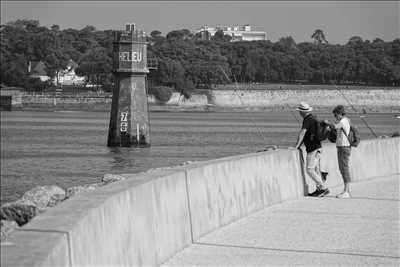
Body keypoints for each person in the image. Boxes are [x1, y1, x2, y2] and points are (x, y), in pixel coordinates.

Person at [295, 102, 329, 197]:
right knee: (316, 169)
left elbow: (303, 133)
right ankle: (319, 190)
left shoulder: (307, 119)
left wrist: (296, 146)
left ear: (302, 112)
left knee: (309, 169)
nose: (299, 113)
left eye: (300, 111)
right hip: (318, 147)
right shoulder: (313, 118)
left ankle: (322, 187)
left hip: (313, 149)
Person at [332, 105, 352, 198]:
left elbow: (335, 127)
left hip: (344, 147)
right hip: (341, 147)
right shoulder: (344, 120)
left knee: (344, 169)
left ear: (340, 114)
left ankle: (346, 191)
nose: (335, 117)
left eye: (335, 115)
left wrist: (326, 123)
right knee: (342, 169)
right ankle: (345, 190)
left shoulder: (343, 121)